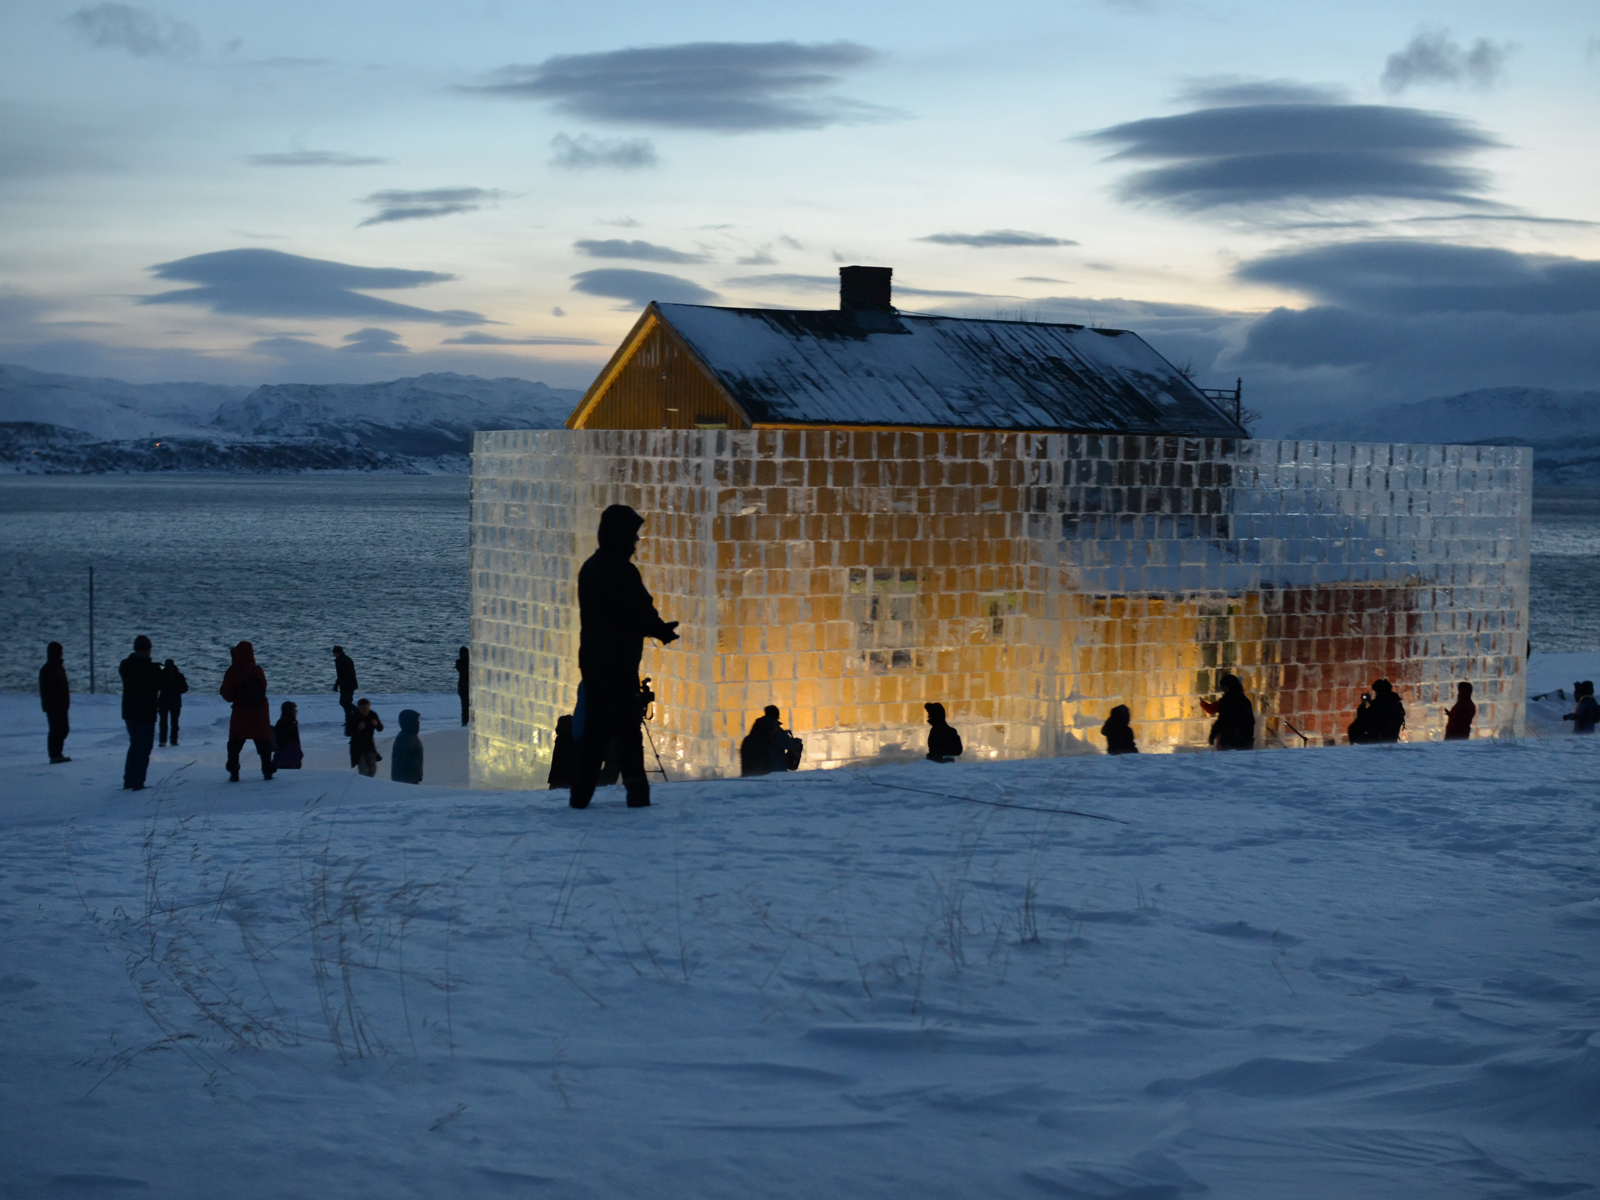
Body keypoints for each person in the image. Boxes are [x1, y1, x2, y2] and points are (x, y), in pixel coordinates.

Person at [568, 505, 679, 810]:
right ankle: (637, 797)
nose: (636, 541)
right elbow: (639, 609)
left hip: (592, 660)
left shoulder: (590, 567)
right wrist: (661, 630)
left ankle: (580, 796)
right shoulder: (621, 570)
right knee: (628, 732)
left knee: (596, 729)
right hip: (618, 663)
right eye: (632, 535)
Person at [221, 641, 275, 783]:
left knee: (235, 743)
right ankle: (267, 770)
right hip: (260, 712)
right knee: (263, 742)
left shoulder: (234, 670)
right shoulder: (257, 670)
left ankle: (234, 770)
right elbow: (263, 688)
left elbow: (227, 695)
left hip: (241, 712)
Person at [119, 635, 163, 790]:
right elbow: (160, 684)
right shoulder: (151, 669)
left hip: (129, 712)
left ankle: (129, 780)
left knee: (135, 745)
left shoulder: (125, 665)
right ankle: (137, 782)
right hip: (145, 713)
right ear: (148, 649)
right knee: (143, 748)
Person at [740, 705, 804, 776]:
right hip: (776, 771)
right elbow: (792, 745)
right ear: (777, 716)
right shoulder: (776, 731)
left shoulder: (756, 730)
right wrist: (797, 741)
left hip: (756, 772)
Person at [1202, 673, 1254, 750]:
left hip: (1229, 741)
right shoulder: (1245, 701)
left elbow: (1222, 721)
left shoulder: (1226, 701)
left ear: (1226, 687)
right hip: (1246, 742)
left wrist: (1213, 735)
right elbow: (1251, 721)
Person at [38, 641, 71, 764]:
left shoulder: (59, 668)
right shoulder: (48, 669)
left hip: (62, 705)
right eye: (59, 652)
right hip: (54, 706)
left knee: (64, 729)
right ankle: (54, 755)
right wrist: (49, 705)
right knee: (56, 730)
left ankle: (58, 753)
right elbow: (47, 690)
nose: (61, 654)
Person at [349, 698, 384, 777]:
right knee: (363, 770)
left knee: (372, 769)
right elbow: (348, 732)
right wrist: (357, 728)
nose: (365, 711)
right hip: (357, 747)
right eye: (362, 709)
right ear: (358, 708)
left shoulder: (372, 715)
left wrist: (376, 725)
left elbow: (380, 728)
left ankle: (368, 784)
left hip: (369, 746)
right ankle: (362, 785)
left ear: (369, 707)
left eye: (366, 709)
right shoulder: (354, 716)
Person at [157, 658, 188, 747]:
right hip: (175, 702)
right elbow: (184, 688)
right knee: (174, 723)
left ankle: (163, 741)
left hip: (164, 701)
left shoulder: (162, 675)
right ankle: (173, 741)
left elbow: (156, 687)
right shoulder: (178, 675)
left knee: (164, 722)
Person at [391, 709, 424, 784]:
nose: (418, 723)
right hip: (404, 780)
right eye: (415, 720)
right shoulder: (404, 738)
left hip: (410, 778)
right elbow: (400, 758)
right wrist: (415, 763)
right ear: (409, 722)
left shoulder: (410, 736)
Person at [1369, 679, 1406, 743]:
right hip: (1390, 736)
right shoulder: (1394, 702)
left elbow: (1369, 717)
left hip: (1381, 737)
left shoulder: (1380, 703)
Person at [333, 646, 358, 732]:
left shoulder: (340, 661)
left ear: (338, 653)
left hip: (346, 685)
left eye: (334, 653)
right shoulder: (347, 659)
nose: (334, 655)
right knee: (346, 702)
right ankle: (349, 720)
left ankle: (357, 712)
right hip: (350, 684)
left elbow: (341, 675)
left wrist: (336, 685)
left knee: (344, 702)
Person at [273, 701, 303, 770]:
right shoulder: (285, 723)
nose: (296, 711)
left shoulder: (290, 722)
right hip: (287, 758)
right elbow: (282, 742)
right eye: (294, 709)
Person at [456, 646, 470, 726]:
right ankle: (466, 721)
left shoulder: (459, 662)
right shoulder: (465, 663)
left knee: (465, 705)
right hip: (466, 686)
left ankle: (465, 721)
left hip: (462, 686)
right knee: (467, 705)